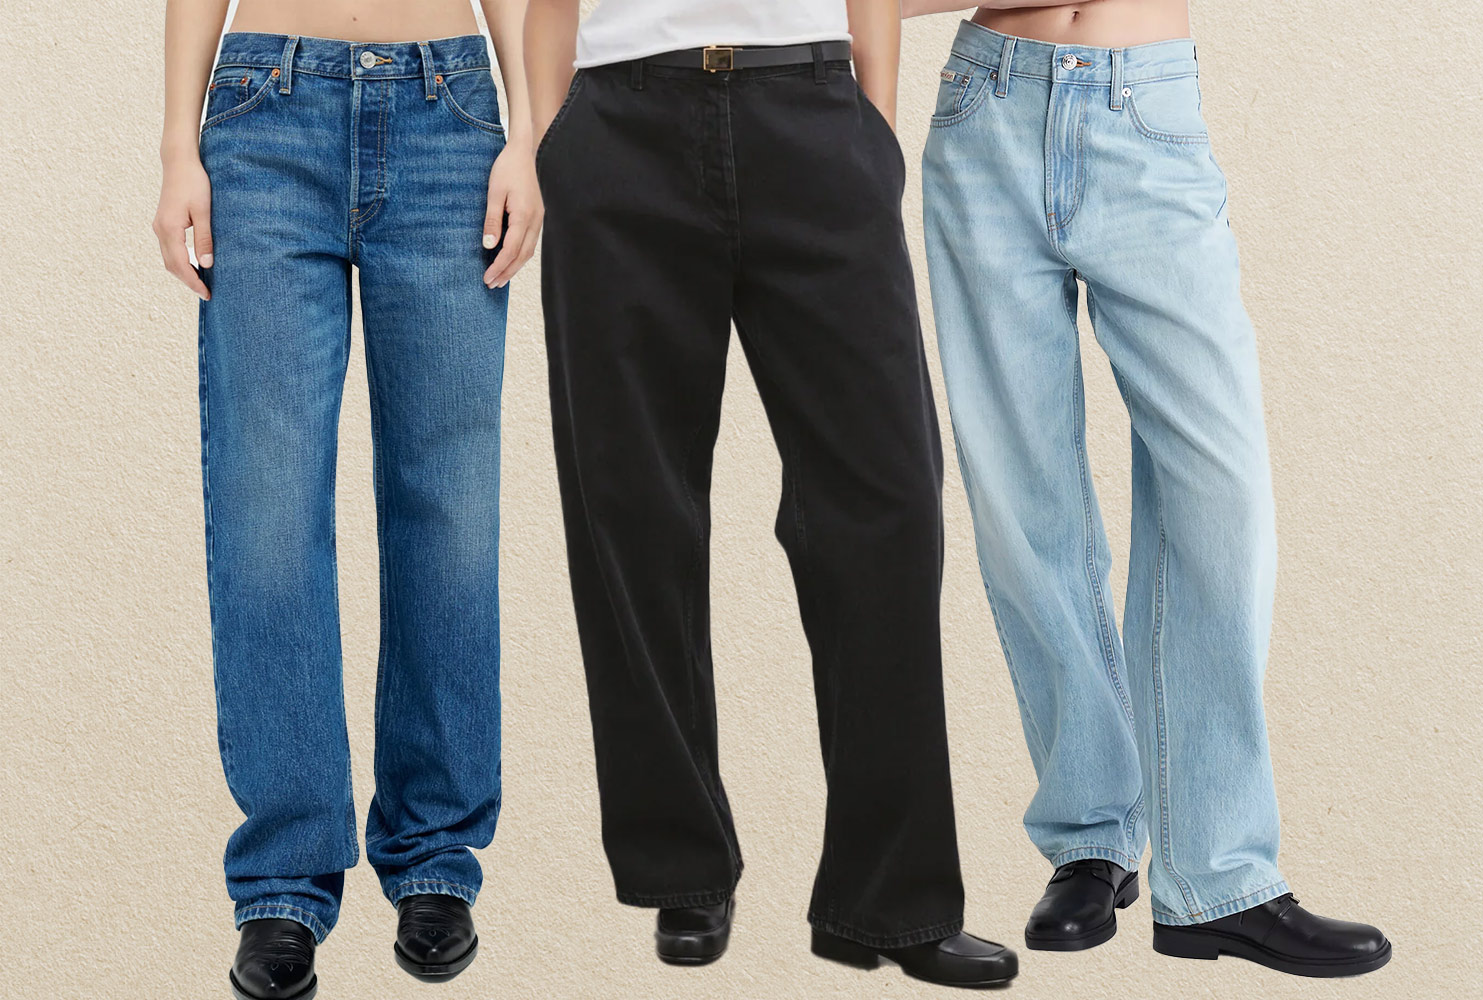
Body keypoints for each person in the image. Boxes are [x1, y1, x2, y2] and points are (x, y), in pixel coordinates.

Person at [524, 0, 1016, 988]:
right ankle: (681, 864)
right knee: (631, 502)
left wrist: (873, 131)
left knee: (890, 500)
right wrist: (551, 147)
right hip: (618, 122)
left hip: (812, 104)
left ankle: (889, 898)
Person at [906, 0, 1391, 977]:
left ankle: (1219, 874)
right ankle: (1091, 837)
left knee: (1221, 496)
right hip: (984, 113)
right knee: (1020, 505)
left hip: (1146, 111)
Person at [152, 1, 539, 995]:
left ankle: (436, 856)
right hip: (265, 115)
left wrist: (530, 131)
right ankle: (283, 880)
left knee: (449, 505)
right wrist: (175, 151)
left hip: (446, 112)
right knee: (268, 510)